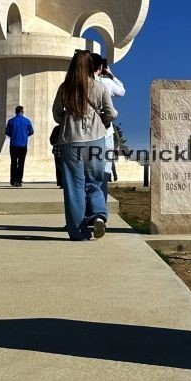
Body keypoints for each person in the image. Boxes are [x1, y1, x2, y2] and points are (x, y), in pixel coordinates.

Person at [52, 50, 116, 240]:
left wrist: (67, 118)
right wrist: (100, 119)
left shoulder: (65, 88)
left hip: (71, 140)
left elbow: (56, 114)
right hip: (96, 139)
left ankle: (79, 232)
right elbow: (111, 113)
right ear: (91, 66)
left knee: (74, 187)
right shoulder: (100, 87)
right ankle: (98, 216)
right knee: (94, 183)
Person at [90, 53, 126, 181]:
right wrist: (111, 75)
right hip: (104, 131)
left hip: (83, 132)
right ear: (100, 67)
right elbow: (122, 91)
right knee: (105, 168)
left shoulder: (75, 83)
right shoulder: (105, 83)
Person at [5, 106, 34, 187]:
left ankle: (13, 180)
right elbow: (31, 131)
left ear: (15, 112)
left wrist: (13, 135)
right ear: (22, 112)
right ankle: (19, 181)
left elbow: (7, 132)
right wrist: (25, 135)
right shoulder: (27, 121)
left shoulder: (11, 121)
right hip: (23, 145)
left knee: (13, 163)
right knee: (21, 163)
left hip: (13, 144)